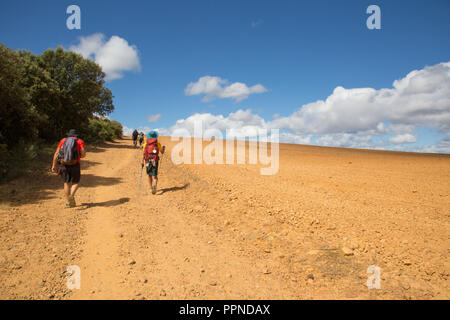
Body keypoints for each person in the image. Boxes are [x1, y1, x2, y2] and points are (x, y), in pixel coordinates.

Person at [51, 129, 86, 208]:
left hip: (64, 164)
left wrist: (54, 165)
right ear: (76, 135)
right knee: (75, 182)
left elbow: (56, 153)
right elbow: (83, 154)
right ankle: (72, 195)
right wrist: (78, 156)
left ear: (68, 135)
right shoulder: (80, 141)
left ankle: (69, 202)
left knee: (66, 183)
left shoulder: (63, 140)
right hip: (75, 164)